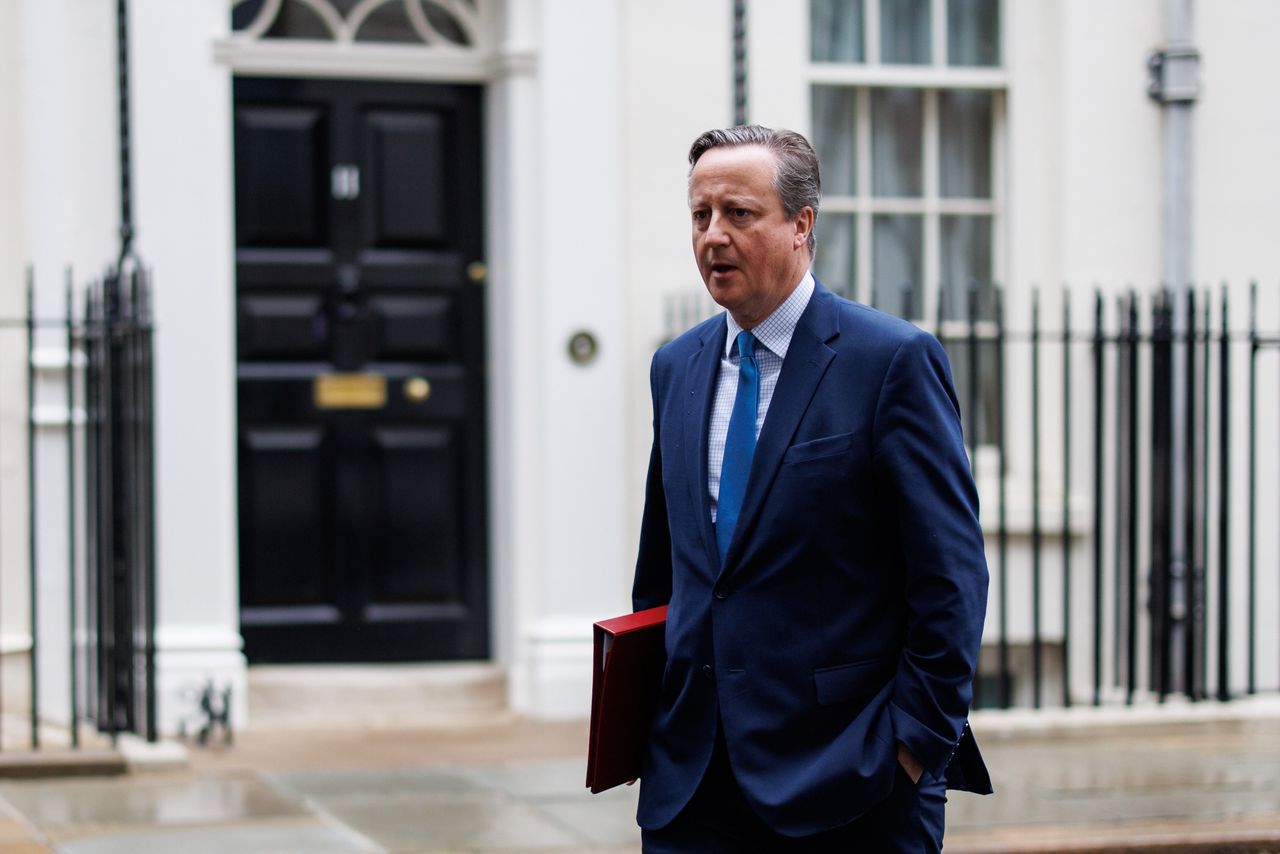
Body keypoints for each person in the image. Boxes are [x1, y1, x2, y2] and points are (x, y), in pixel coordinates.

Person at [631, 125, 992, 852]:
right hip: (693, 784)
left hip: (850, 782)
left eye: (739, 213)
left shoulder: (890, 361)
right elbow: (666, 570)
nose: (713, 237)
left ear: (801, 224)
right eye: (700, 216)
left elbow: (950, 577)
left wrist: (912, 746)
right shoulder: (677, 366)